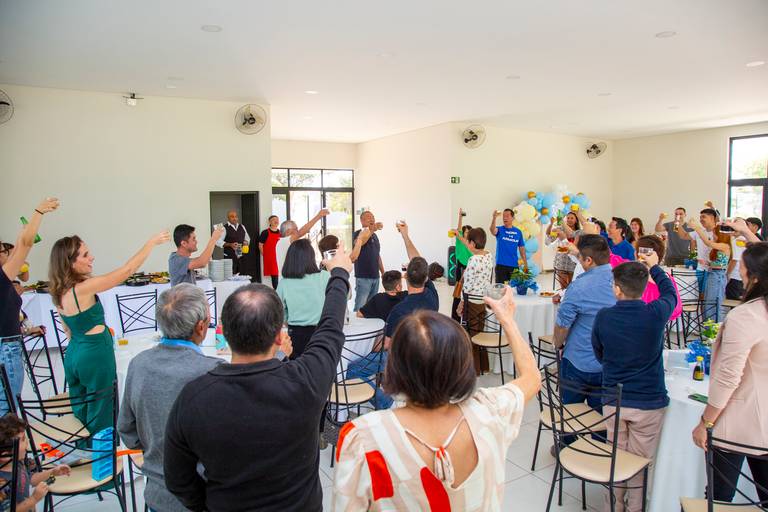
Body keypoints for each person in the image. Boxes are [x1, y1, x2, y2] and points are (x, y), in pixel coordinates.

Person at [164, 249, 352, 512]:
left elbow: (177, 480)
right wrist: (340, 274)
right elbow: (331, 328)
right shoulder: (305, 382)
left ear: (224, 334)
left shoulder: (194, 397)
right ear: (279, 337)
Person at [333, 289, 540, 511]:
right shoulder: (491, 410)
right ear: (463, 365)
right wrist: (507, 320)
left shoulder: (365, 438)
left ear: (395, 367)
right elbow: (532, 377)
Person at [49, 230, 169, 435]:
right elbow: (127, 270)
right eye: (85, 255)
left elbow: (67, 330)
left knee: (82, 407)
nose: (92, 257)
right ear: (70, 263)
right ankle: (103, 460)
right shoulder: (83, 288)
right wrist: (151, 243)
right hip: (94, 356)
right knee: (102, 411)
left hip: (74, 354)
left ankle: (83, 451)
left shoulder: (58, 291)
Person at [118, 284, 223, 512]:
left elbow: (127, 431)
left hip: (157, 494)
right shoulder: (215, 371)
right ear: (201, 327)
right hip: (206, 497)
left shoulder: (138, 364)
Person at [592, 253, 676, 512]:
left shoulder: (604, 317)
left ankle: (613, 507)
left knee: (616, 455)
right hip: (648, 402)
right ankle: (635, 508)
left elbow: (599, 354)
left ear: (617, 289)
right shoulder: (655, 313)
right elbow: (671, 294)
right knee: (639, 462)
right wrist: (655, 268)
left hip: (615, 401)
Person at [691, 241, 768, 504]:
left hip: (739, 418)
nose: (739, 272)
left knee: (718, 495)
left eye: (743, 267)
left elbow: (729, 377)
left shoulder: (747, 316)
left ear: (754, 277)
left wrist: (706, 422)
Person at [347, 221, 438, 410]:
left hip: (402, 357)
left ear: (405, 278)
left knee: (352, 370)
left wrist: (371, 347)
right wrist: (405, 236)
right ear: (425, 277)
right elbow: (418, 261)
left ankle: (386, 403)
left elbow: (386, 346)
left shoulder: (399, 311)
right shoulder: (432, 295)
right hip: (427, 352)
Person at [552, 235, 616, 442]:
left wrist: (558, 344)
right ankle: (598, 451)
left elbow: (562, 326)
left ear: (589, 260)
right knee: (602, 413)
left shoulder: (579, 287)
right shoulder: (621, 282)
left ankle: (567, 447)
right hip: (608, 361)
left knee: (570, 411)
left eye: (581, 258)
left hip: (578, 359)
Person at [0, 198, 59, 416]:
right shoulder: (2, 277)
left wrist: (25, 230)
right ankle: (10, 448)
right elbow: (24, 247)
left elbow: (19, 248)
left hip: (6, 344)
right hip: (5, 347)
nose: (8, 252)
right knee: (7, 407)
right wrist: (38, 212)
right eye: (3, 249)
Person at [0, 414, 71, 512]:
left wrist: (52, 472)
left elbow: (29, 478)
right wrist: (34, 499)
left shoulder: (17, 462)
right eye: (23, 439)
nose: (28, 441)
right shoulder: (2, 482)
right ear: (6, 455)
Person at [276, 239, 331, 359]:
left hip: (296, 336)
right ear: (311, 257)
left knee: (297, 372)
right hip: (323, 334)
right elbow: (346, 296)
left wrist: (288, 319)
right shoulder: (325, 276)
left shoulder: (284, 283)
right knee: (323, 369)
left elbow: (278, 312)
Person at [455, 228, 494, 373]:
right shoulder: (489, 255)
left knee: (470, 334)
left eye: (468, 241)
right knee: (479, 333)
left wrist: (461, 302)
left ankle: (472, 369)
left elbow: (468, 285)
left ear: (472, 242)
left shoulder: (473, 260)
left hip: (471, 300)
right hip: (482, 300)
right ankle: (482, 366)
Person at [687, 215, 731, 321]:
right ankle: (710, 330)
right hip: (713, 273)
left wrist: (697, 228)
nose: (713, 235)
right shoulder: (720, 246)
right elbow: (719, 263)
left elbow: (708, 242)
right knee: (708, 303)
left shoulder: (724, 245)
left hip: (718, 276)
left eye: (715, 233)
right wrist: (707, 263)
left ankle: (715, 331)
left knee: (713, 304)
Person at [677, 206, 719, 295]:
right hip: (700, 268)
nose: (700, 220)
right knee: (700, 294)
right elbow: (683, 236)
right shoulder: (699, 231)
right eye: (700, 217)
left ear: (712, 218)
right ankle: (701, 309)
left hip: (714, 270)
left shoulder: (719, 233)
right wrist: (678, 224)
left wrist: (696, 228)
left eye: (703, 217)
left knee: (710, 296)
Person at [275, 209, 329, 274]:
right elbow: (302, 232)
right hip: (288, 280)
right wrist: (318, 216)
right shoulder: (284, 241)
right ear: (288, 231)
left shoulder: (284, 243)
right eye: (296, 229)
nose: (297, 231)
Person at [351, 211, 385, 311]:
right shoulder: (357, 234)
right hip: (363, 277)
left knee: (371, 307)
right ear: (361, 220)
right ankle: (356, 326)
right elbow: (360, 242)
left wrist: (383, 272)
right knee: (360, 307)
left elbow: (377, 255)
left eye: (373, 217)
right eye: (368, 217)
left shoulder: (375, 236)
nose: (372, 219)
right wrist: (372, 229)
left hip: (376, 277)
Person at [489, 208, 527, 283]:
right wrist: (494, 218)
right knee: (501, 289)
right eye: (503, 216)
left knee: (513, 289)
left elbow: (521, 248)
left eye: (507, 216)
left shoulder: (518, 232)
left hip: (514, 265)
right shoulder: (500, 229)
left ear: (512, 218)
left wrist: (525, 263)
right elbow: (492, 230)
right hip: (501, 265)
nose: (505, 218)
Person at [546, 213, 582, 289]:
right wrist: (551, 224)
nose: (569, 220)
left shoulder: (579, 232)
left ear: (576, 220)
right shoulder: (560, 229)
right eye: (568, 218)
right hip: (561, 261)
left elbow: (571, 236)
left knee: (573, 286)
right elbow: (550, 237)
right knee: (564, 287)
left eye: (572, 218)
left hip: (573, 261)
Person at [216, 210, 250, 275]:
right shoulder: (223, 228)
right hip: (229, 256)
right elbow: (218, 241)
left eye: (236, 216)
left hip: (241, 256)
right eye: (232, 216)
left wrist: (246, 242)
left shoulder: (242, 226)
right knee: (231, 275)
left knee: (242, 274)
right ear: (228, 218)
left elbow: (247, 238)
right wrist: (230, 244)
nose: (234, 218)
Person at [258, 215, 281, 289]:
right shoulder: (265, 232)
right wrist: (265, 255)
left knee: (280, 275)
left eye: (277, 219)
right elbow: (260, 245)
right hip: (270, 258)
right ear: (269, 222)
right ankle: (277, 292)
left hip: (279, 257)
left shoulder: (281, 233)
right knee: (275, 276)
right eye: (274, 219)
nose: (276, 221)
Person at [453, 208, 472, 283]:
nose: (468, 234)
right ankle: (458, 291)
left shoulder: (472, 242)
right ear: (463, 233)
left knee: (468, 282)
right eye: (466, 232)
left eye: (469, 232)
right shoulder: (459, 239)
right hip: (460, 263)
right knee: (459, 282)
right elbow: (459, 229)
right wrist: (460, 217)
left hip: (469, 264)